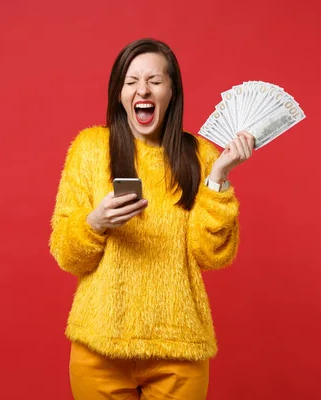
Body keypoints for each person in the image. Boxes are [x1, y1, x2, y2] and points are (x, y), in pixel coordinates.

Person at [49, 38, 254, 400]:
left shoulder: (201, 155)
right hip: (100, 346)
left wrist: (217, 178)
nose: (142, 89)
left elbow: (214, 255)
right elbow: (68, 256)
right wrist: (94, 222)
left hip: (180, 348)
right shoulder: (91, 148)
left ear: (172, 91)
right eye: (131, 82)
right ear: (119, 93)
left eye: (155, 81)